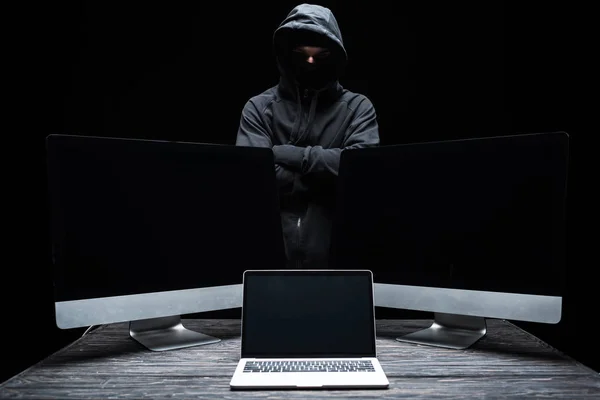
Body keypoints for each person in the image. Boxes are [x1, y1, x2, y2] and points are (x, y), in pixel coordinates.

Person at [235, 3, 380, 268]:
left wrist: (287, 155)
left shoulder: (358, 108)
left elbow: (362, 175)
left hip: (340, 262)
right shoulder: (258, 108)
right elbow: (251, 182)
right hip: (267, 262)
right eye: (302, 54)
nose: (311, 62)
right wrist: (328, 176)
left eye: (321, 55)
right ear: (286, 54)